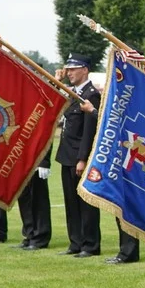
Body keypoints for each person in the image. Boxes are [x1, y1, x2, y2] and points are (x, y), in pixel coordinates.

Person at [55, 54, 102, 258]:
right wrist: (58, 82)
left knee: (85, 203)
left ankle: (90, 244)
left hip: (80, 156)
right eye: (68, 69)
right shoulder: (71, 93)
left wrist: (83, 158)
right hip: (67, 155)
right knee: (70, 202)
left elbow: (88, 131)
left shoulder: (91, 95)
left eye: (73, 69)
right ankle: (76, 241)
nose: (69, 72)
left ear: (85, 70)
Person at [14, 148, 53, 251]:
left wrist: (44, 161)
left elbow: (45, 136)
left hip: (36, 157)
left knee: (38, 198)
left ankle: (41, 236)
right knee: (24, 198)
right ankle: (29, 234)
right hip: (21, 158)